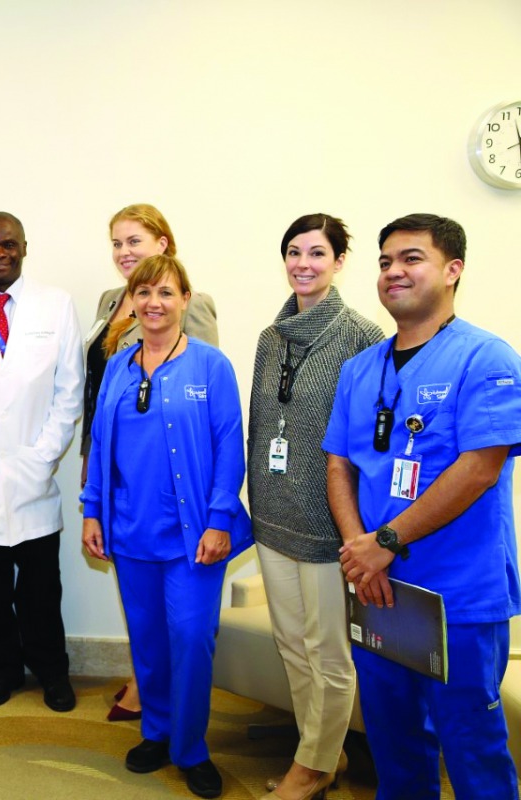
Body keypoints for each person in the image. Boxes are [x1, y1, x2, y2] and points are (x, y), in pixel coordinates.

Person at [325, 213, 521, 800]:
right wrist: (363, 554)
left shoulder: (487, 359)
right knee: (394, 746)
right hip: (381, 592)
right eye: (385, 262)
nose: (393, 272)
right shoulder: (361, 370)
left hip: (456, 595)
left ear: (452, 270)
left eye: (411, 258)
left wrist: (381, 544)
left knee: (472, 748)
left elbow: (479, 468)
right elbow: (339, 465)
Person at [81, 254, 250, 800]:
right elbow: (102, 445)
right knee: (149, 642)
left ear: (185, 300)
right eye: (144, 292)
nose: (154, 302)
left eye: (166, 292)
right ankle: (156, 731)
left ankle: (191, 747)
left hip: (194, 536)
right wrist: (91, 509)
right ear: (131, 300)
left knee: (192, 638)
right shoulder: (118, 366)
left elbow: (230, 444)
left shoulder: (209, 366)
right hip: (130, 532)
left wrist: (221, 517)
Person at [247, 215, 382, 800]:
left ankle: (312, 768)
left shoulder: (363, 336)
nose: (304, 263)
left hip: (329, 522)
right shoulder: (270, 336)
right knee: (290, 644)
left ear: (339, 261)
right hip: (272, 514)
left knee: (329, 652)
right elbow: (260, 424)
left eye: (317, 253)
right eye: (294, 252)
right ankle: (318, 756)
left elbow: (370, 443)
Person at [81, 203, 218, 722]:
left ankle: (152, 693)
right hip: (110, 453)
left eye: (135, 241)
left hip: (165, 472)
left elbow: (196, 397)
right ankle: (147, 679)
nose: (124, 253)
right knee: (137, 595)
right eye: (116, 243)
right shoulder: (110, 300)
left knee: (177, 608)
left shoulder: (192, 303)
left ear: (163, 243)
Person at [0, 212, 83, 711]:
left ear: (24, 247)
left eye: (7, 244)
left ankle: (52, 672)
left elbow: (68, 392)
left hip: (35, 474)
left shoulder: (57, 305)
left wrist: (43, 455)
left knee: (41, 589)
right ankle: (2, 671)